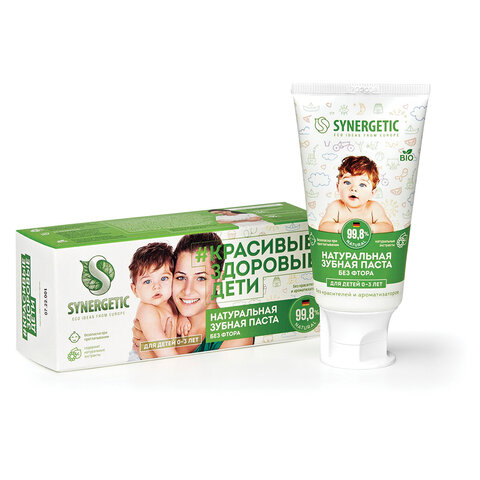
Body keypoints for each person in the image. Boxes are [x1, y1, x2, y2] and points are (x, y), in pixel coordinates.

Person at [132, 233, 253, 358]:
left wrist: (150, 356)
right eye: (180, 277)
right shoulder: (160, 317)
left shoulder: (237, 334)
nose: (187, 291)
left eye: (201, 278)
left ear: (219, 280)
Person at [128, 242, 191, 359]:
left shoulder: (170, 299)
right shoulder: (147, 311)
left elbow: (182, 308)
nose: (157, 286)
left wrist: (182, 317)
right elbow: (163, 350)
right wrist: (181, 366)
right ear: (135, 290)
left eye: (164, 278)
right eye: (147, 281)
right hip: (142, 361)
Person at [318, 156, 393, 233]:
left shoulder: (374, 207)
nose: (353, 188)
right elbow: (323, 227)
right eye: (347, 182)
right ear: (338, 187)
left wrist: (371, 228)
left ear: (372, 193)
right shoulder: (336, 206)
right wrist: (340, 227)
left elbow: (389, 228)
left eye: (362, 185)